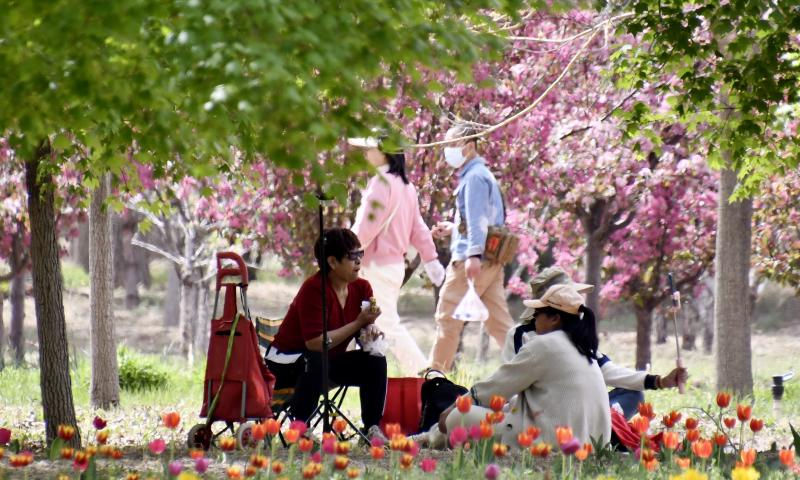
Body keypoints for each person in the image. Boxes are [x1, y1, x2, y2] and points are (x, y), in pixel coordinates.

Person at [436, 284, 612, 447]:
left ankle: (429, 439)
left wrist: (454, 408)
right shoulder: (580, 345)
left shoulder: (545, 345)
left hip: (551, 442)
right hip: (592, 445)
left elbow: (497, 387)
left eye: (537, 314)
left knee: (457, 417)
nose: (533, 319)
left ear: (555, 319)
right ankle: (428, 438)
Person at [503, 267, 689, 420]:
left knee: (633, 395)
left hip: (581, 414)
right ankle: (607, 429)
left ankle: (605, 427)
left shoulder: (574, 332)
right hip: (544, 413)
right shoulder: (521, 336)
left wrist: (659, 381)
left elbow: (605, 370)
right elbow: (512, 383)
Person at [265, 228, 387, 441]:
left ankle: (371, 428)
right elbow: (314, 342)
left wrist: (370, 331)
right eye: (352, 256)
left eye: (361, 254)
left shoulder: (362, 288)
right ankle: (300, 428)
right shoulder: (313, 290)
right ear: (332, 262)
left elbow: (361, 332)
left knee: (375, 359)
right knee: (317, 356)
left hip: (329, 362)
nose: (359, 261)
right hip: (289, 366)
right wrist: (358, 321)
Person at [348, 134, 445, 375]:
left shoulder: (381, 183)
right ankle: (359, 371)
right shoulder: (406, 186)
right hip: (391, 266)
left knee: (386, 324)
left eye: (369, 148)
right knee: (360, 320)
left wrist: (343, 250)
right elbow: (418, 227)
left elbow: (366, 226)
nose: (365, 153)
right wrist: (431, 258)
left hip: (375, 267)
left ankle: (425, 374)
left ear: (384, 152)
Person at [428, 123, 513, 371]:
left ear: (469, 146)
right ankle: (534, 370)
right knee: (500, 324)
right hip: (492, 259)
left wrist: (473, 254)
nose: (447, 151)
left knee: (447, 318)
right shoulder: (482, 175)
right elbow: (481, 220)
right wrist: (454, 228)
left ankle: (434, 377)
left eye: (452, 145)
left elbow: (478, 221)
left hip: (474, 259)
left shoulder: (474, 177)